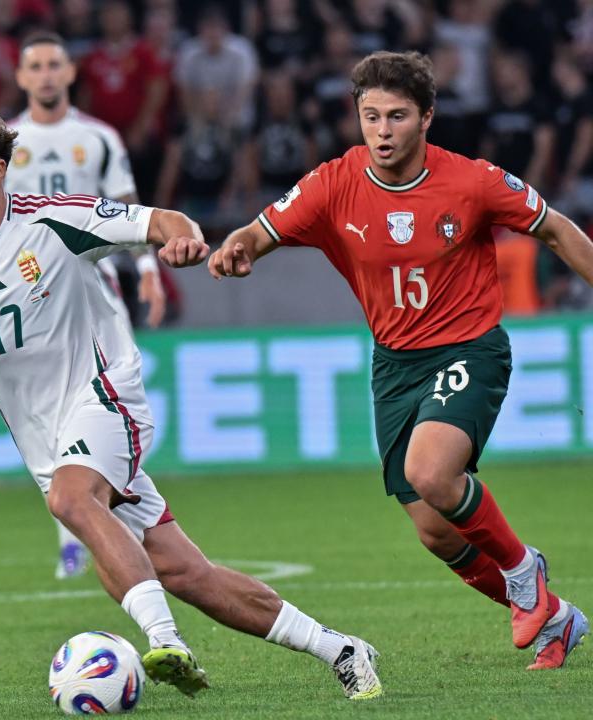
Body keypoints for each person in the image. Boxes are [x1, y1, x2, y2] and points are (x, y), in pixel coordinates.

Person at [0, 107, 383, 701]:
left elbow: (167, 221)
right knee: (183, 572)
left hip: (104, 392)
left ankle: (167, 644)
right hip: (45, 438)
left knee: (70, 500)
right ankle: (342, 648)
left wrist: (181, 243)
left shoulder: (55, 222)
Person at [162, 50, 591, 671]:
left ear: (427, 119)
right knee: (437, 530)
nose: (383, 131)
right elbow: (259, 232)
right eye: (371, 117)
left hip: (470, 348)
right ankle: (555, 617)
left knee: (432, 473)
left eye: (397, 116)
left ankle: (526, 573)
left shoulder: (472, 181)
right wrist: (238, 250)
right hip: (395, 367)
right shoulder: (333, 184)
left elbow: (556, 229)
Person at [7, 32, 166, 579]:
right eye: (36, 66)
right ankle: (72, 534)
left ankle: (120, 508)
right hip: (27, 294)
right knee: (47, 414)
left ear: (70, 72)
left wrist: (147, 269)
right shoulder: (4, 139)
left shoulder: (97, 138)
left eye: (55, 64)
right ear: (22, 77)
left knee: (120, 386)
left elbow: (128, 207)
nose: (47, 74)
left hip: (95, 288)